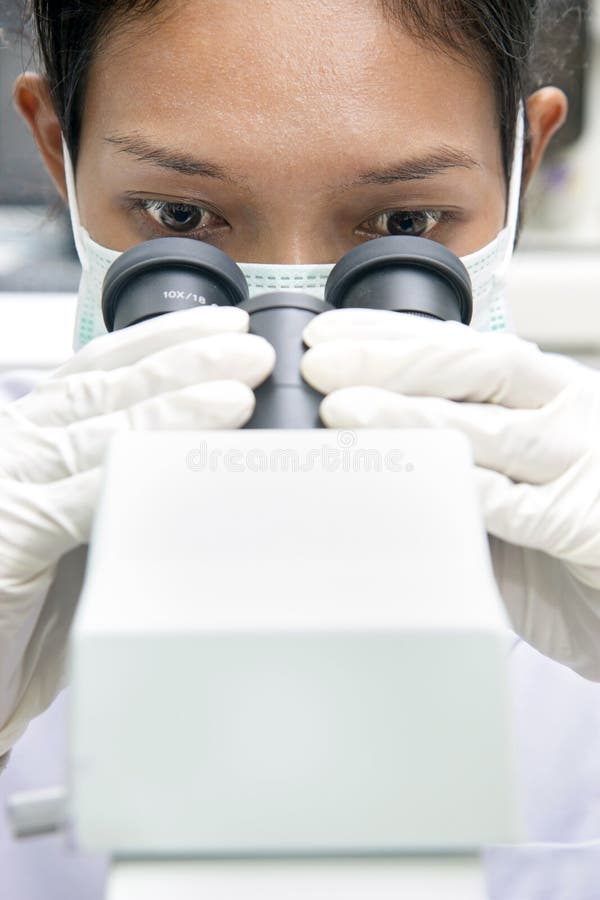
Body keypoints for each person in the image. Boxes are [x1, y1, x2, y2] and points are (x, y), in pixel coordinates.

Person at [2, 0, 599, 796]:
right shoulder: (17, 498)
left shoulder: (579, 502)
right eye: (180, 217)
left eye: (403, 221)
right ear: (59, 153)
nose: (292, 331)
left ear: (521, 163)